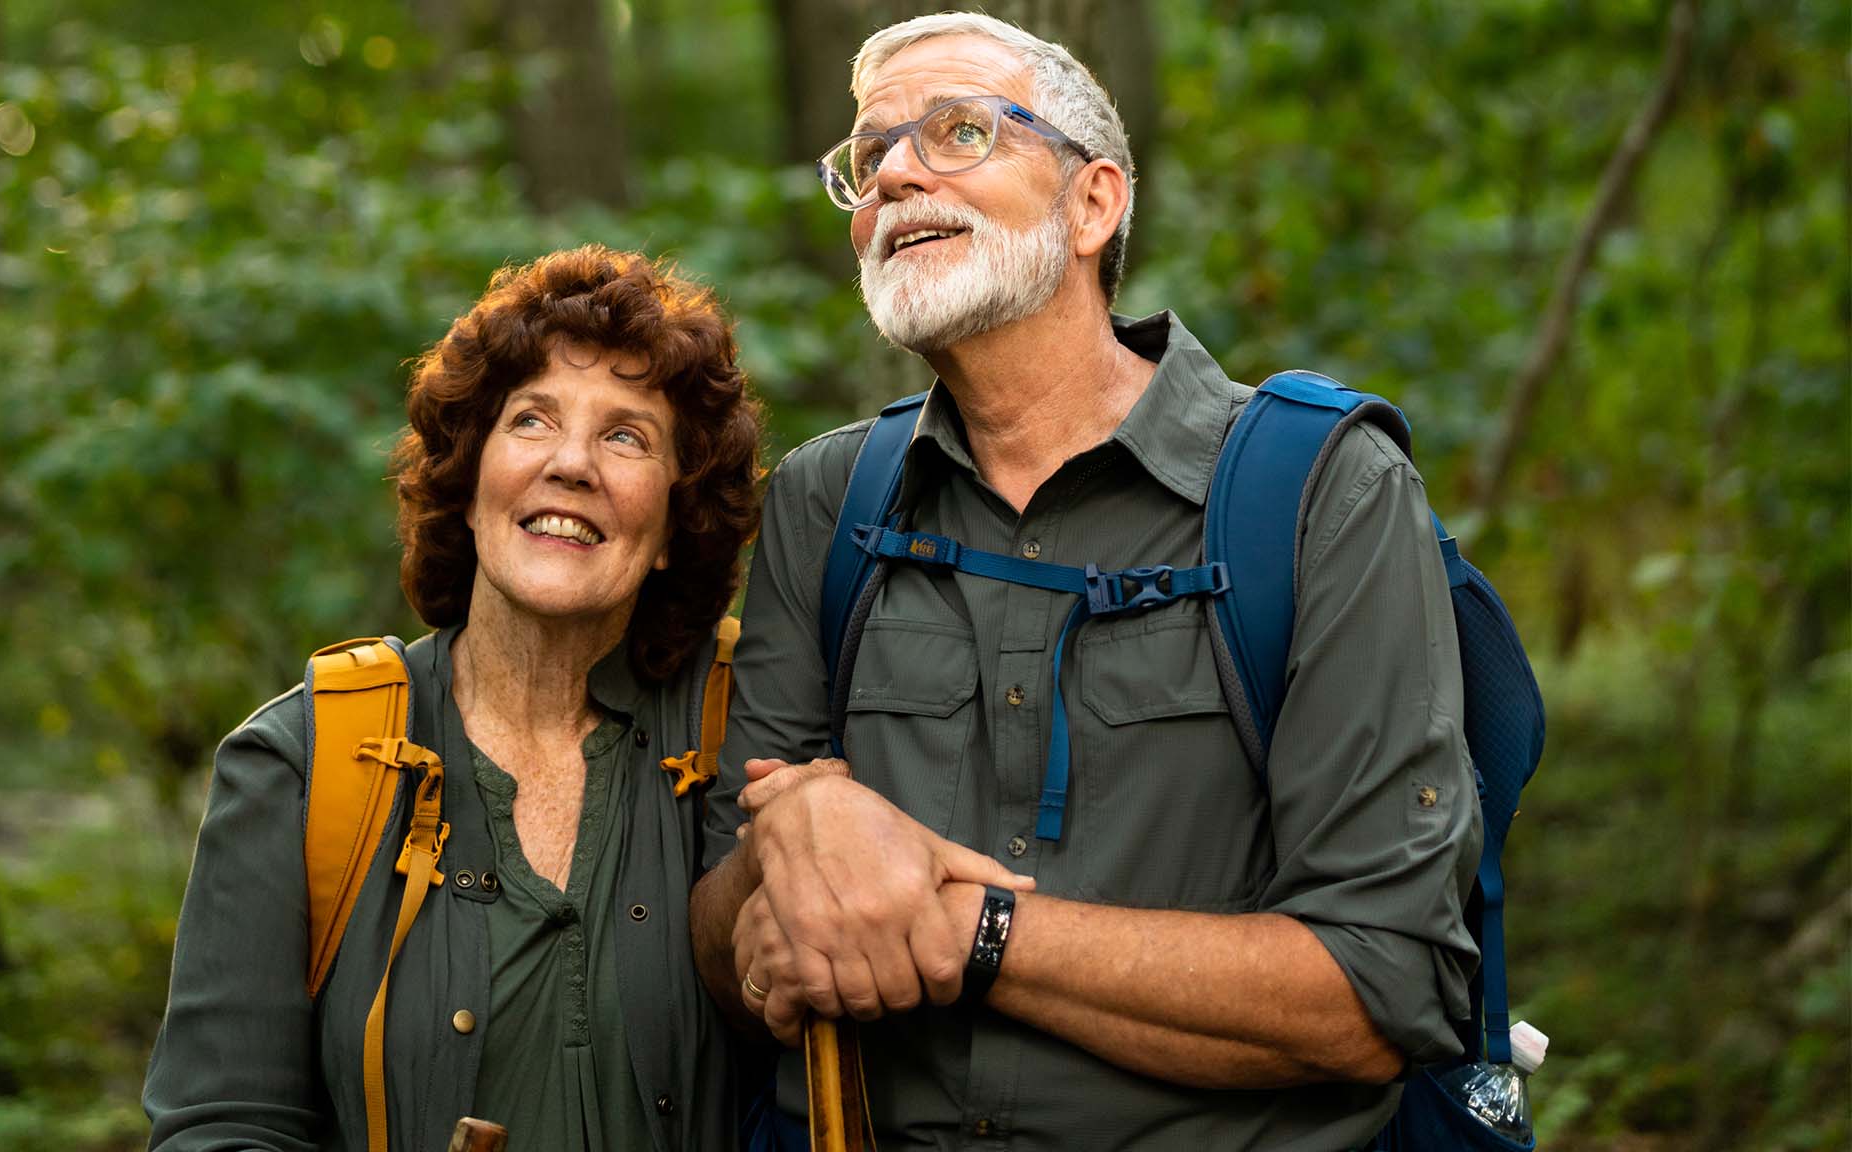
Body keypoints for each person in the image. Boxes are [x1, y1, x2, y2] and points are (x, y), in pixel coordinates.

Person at [689, 13, 1482, 1150]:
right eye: (868, 160)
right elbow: (728, 953)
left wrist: (970, 930)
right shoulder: (828, 500)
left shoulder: (1319, 491)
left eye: (957, 131)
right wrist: (792, 832)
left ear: (1091, 204)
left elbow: (1376, 992)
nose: (896, 173)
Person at [145, 245, 763, 1151]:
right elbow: (221, 1131)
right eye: (531, 421)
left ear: (675, 522)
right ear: (469, 484)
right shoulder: (302, 764)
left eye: (626, 436)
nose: (573, 465)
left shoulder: (746, 728)